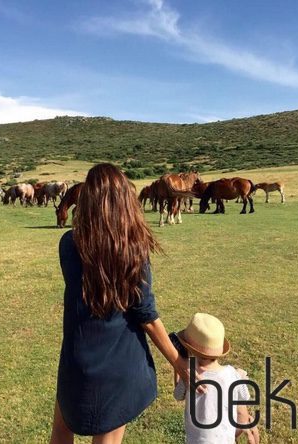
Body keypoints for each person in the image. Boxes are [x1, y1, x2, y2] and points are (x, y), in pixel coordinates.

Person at [50, 163, 194, 444]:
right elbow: (146, 314)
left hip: (75, 361)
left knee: (59, 433)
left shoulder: (68, 243)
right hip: (117, 366)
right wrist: (179, 363)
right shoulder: (132, 249)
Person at [174, 313, 260, 444]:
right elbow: (242, 416)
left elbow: (178, 395)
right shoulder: (233, 374)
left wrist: (177, 366)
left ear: (188, 349)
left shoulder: (189, 375)